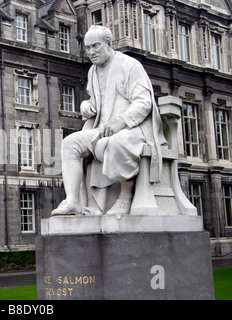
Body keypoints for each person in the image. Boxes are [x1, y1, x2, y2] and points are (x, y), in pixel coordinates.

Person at [52, 25, 167, 216]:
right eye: (87, 48)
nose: (91, 52)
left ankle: (125, 197)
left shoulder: (130, 65)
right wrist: (86, 105)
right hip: (102, 127)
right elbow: (97, 101)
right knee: (69, 143)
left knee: (116, 142)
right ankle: (72, 201)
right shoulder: (92, 71)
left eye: (95, 46)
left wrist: (120, 122)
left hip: (133, 127)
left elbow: (144, 102)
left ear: (108, 44)